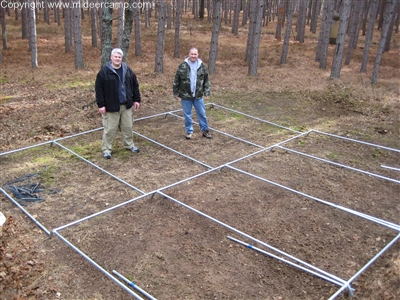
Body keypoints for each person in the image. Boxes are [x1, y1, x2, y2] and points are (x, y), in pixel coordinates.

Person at [95, 48, 141, 159]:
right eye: (115, 57)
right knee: (110, 130)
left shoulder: (128, 70)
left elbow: (135, 85)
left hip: (126, 106)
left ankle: (129, 145)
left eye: (119, 57)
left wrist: (136, 99)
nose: (117, 59)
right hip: (111, 107)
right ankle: (106, 150)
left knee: (128, 127)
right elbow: (99, 90)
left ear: (122, 58)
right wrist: (101, 105)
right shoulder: (103, 72)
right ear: (111, 57)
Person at [173, 47, 212, 140]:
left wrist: (207, 92)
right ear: (189, 54)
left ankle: (205, 130)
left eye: (195, 54)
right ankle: (189, 131)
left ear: (198, 55)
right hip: (186, 95)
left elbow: (206, 81)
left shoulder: (202, 66)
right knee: (187, 114)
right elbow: (176, 80)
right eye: (192, 54)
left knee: (202, 113)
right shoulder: (182, 66)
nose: (193, 56)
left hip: (198, 95)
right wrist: (175, 93)